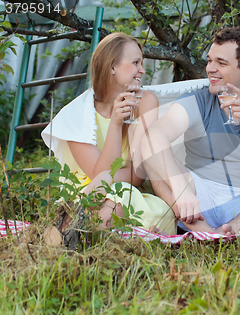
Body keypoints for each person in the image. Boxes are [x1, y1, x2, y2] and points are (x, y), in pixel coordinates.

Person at [140, 27, 240, 235]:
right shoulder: (199, 99)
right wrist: (180, 189)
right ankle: (204, 232)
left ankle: (215, 235)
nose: (210, 68)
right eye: (210, 61)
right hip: (199, 199)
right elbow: (152, 136)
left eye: (221, 63)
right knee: (152, 158)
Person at [41, 32, 176, 234]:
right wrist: (114, 125)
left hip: (128, 191)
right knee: (111, 206)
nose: (143, 70)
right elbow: (97, 174)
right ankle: (77, 230)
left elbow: (136, 174)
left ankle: (73, 232)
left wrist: (105, 181)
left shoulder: (145, 102)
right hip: (85, 194)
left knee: (137, 205)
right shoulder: (76, 115)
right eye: (136, 63)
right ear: (112, 66)